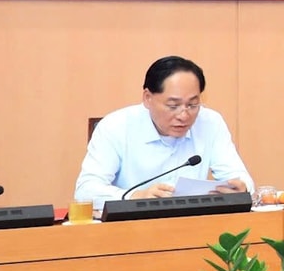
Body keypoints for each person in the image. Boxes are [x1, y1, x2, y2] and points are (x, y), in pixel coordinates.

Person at [76, 56, 253, 204]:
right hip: (132, 226)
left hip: (193, 223)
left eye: (193, 104)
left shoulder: (210, 122)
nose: (184, 115)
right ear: (148, 98)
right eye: (173, 106)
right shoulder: (115, 126)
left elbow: (240, 178)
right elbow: (86, 191)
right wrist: (135, 196)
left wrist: (241, 189)